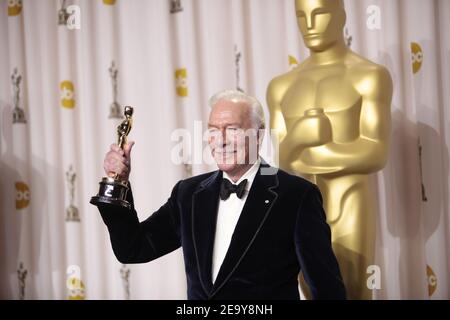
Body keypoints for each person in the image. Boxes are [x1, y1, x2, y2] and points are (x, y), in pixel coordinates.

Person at [97, 89, 346, 300]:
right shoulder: (188, 194)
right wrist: (116, 183)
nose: (221, 140)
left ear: (259, 136)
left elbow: (327, 289)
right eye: (214, 130)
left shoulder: (296, 196)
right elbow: (134, 248)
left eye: (233, 129)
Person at [266, 0, 393, 299]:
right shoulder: (281, 86)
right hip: (298, 207)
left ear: (342, 17)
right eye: (301, 16)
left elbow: (376, 151)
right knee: (310, 292)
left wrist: (313, 152)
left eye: (320, 13)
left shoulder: (369, 76)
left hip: (349, 202)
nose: (309, 25)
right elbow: (282, 159)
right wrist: (300, 135)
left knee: (354, 291)